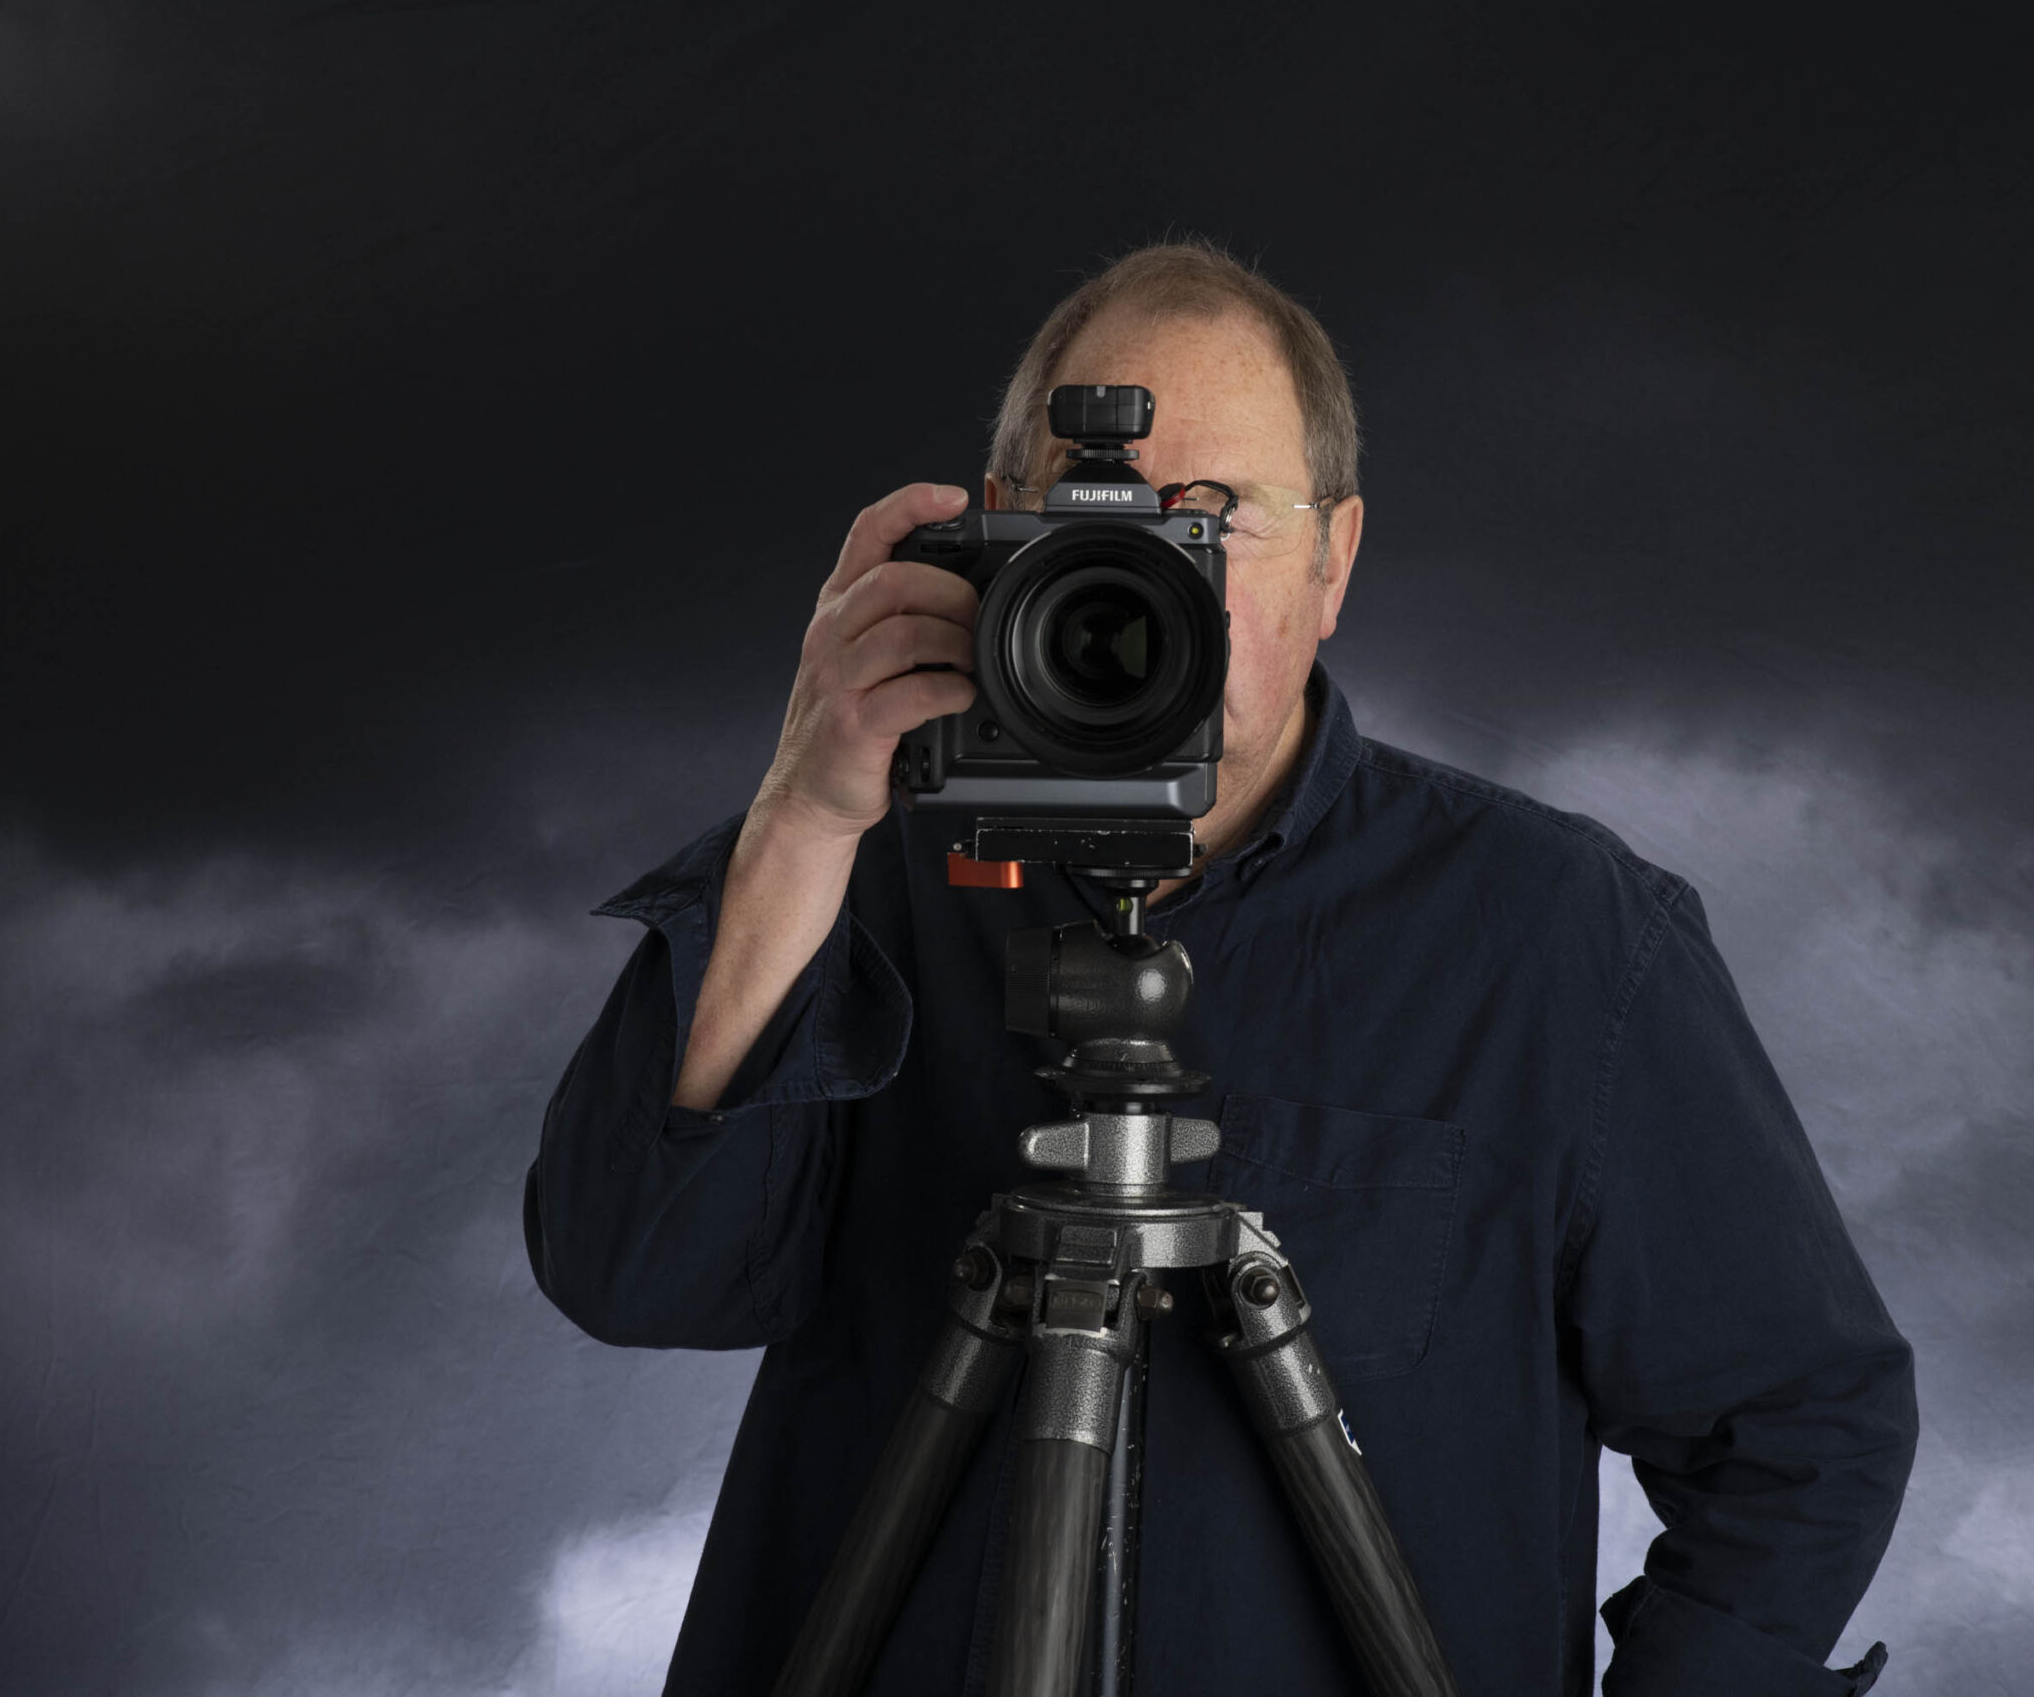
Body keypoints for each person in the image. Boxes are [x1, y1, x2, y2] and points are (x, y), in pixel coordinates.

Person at [523, 241, 1915, 1696]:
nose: (1144, 581)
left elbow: (1802, 1423)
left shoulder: (1557, 931)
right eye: (1085, 520)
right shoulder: (851, 863)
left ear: (1335, 558)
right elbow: (634, 1278)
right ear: (991, 542)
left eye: (1218, 517)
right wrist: (801, 815)